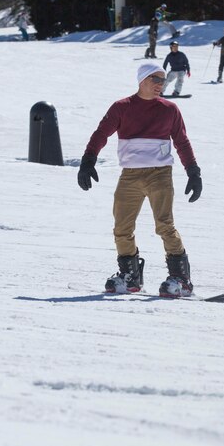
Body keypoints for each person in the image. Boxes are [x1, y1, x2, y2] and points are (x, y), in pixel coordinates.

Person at [77, 64, 203, 297]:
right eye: (156, 79)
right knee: (122, 228)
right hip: (130, 176)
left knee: (164, 225)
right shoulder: (122, 107)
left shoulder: (170, 109)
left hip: (160, 174)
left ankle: (181, 280)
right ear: (142, 79)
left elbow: (182, 142)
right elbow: (101, 133)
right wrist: (88, 160)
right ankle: (130, 277)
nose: (160, 85)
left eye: (163, 81)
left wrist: (193, 172)